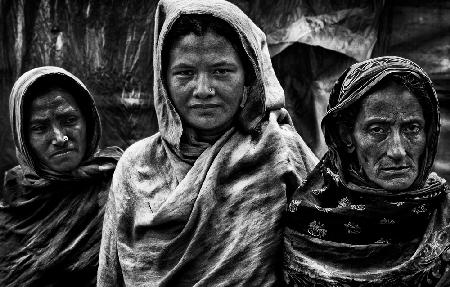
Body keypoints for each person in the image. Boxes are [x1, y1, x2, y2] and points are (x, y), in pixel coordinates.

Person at [97, 0, 318, 286]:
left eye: (221, 71)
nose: (203, 90)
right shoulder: (136, 165)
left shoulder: (279, 151)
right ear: (163, 80)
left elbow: (321, 257)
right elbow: (110, 276)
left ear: (249, 77)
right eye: (185, 73)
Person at [283, 56, 450, 286]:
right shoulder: (309, 218)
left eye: (412, 128)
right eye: (378, 129)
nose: (397, 151)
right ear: (346, 136)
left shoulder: (443, 212)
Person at [0, 66, 123, 287]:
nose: (60, 137)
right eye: (40, 127)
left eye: (69, 120)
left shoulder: (123, 180)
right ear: (23, 137)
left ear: (88, 120)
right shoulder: (14, 200)